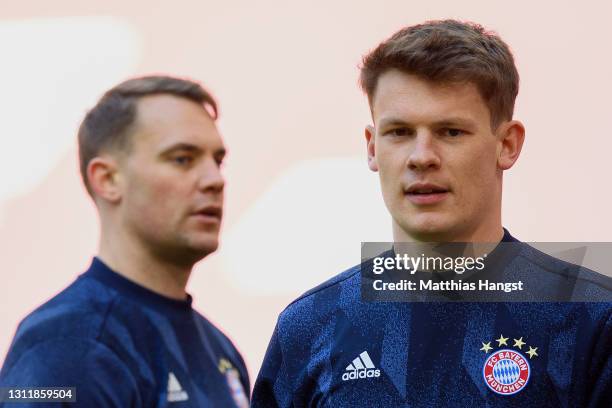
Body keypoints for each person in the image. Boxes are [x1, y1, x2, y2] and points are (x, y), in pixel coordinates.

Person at [252, 20, 611, 406]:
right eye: (400, 132)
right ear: (372, 148)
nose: (422, 157)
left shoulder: (590, 319)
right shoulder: (309, 327)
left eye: (451, 132)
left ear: (507, 144)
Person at [0, 76, 250, 407]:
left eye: (217, 161)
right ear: (107, 179)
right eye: (182, 159)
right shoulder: (65, 344)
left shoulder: (221, 351)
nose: (215, 180)